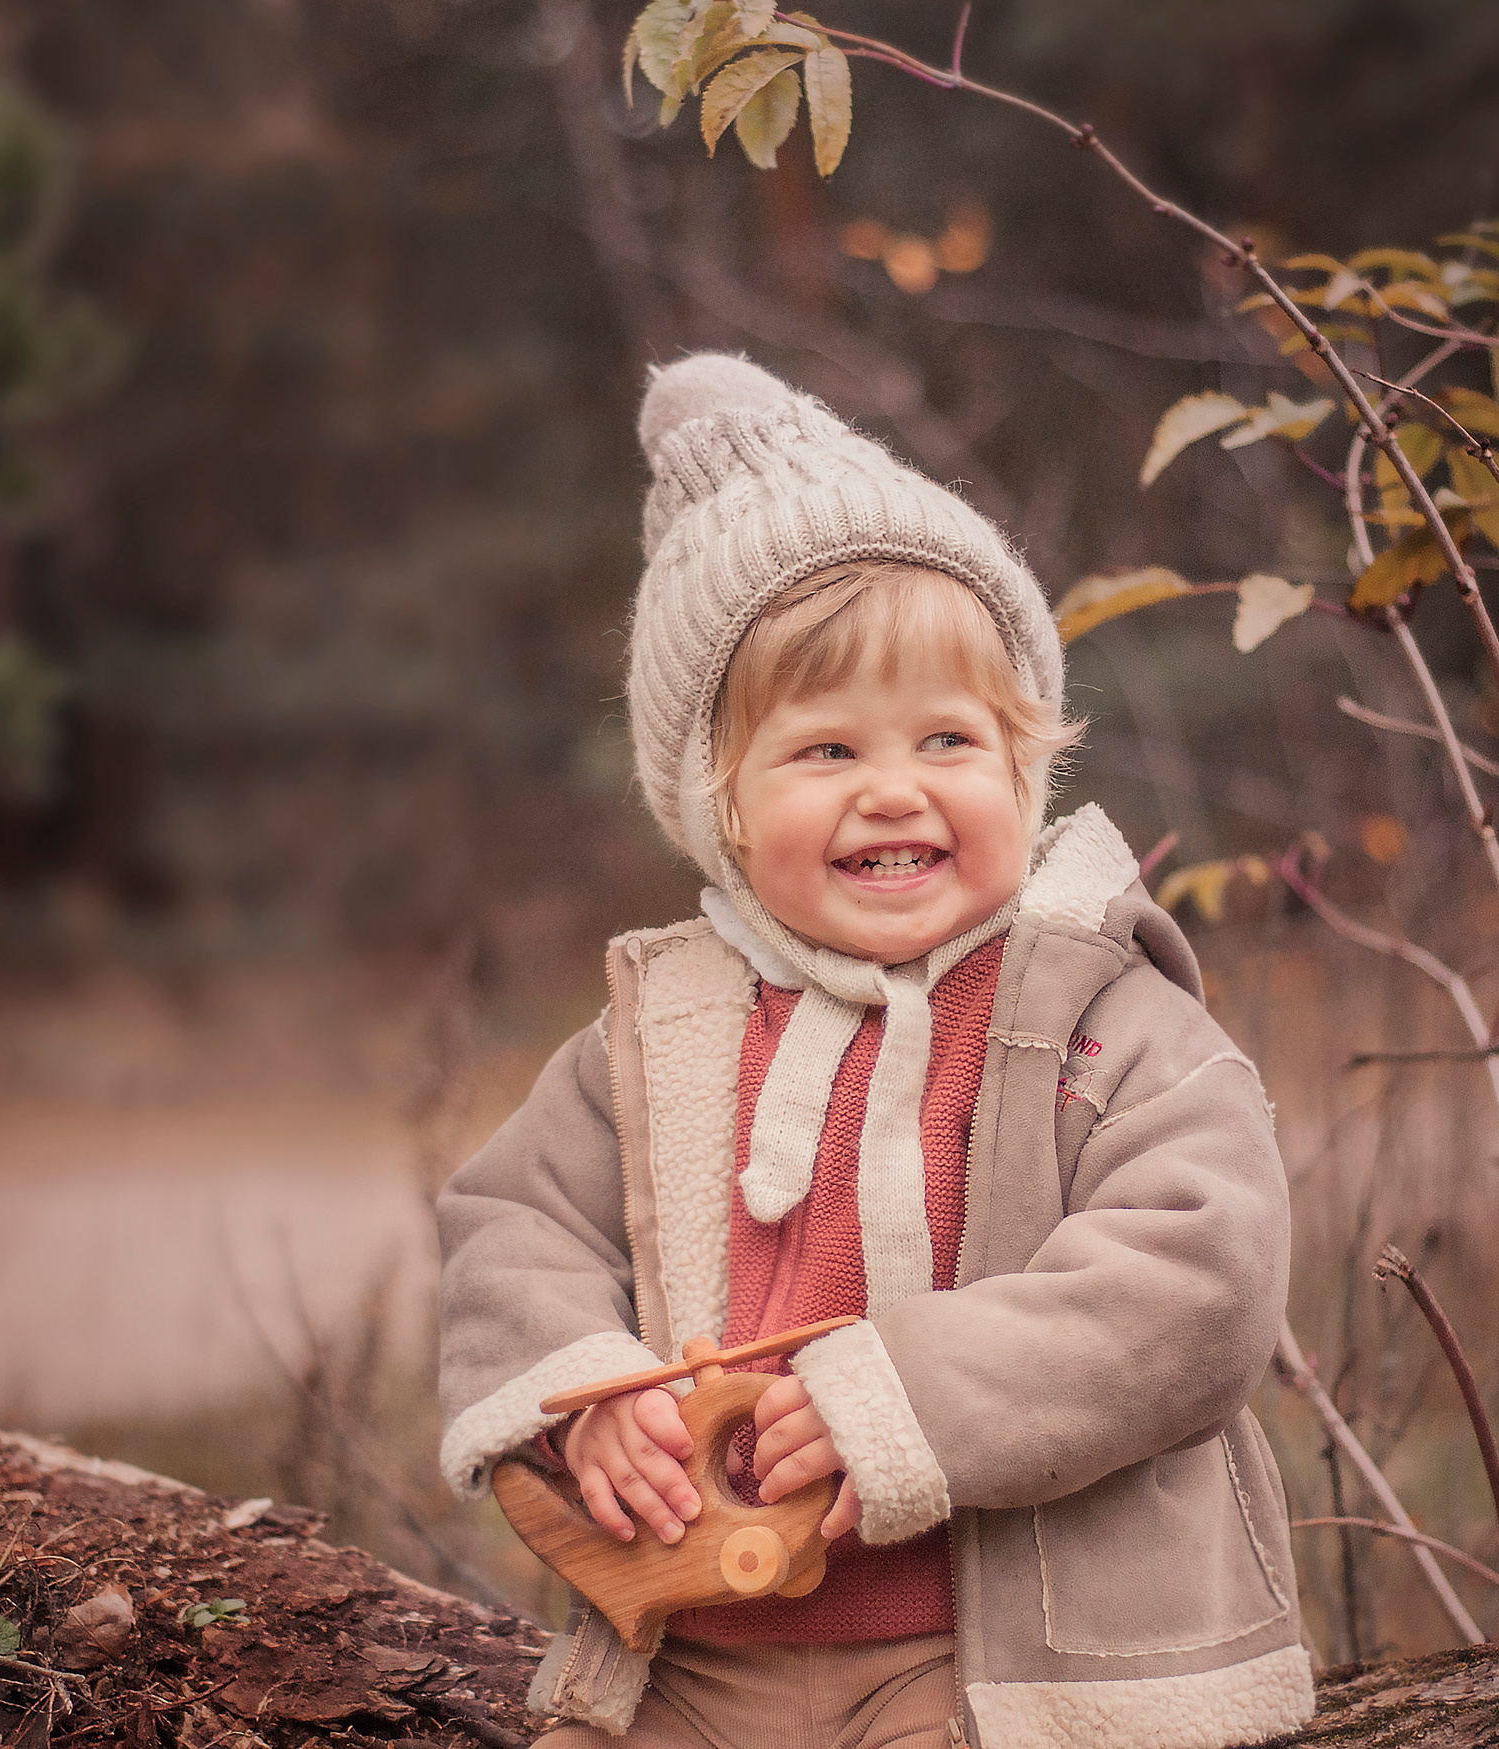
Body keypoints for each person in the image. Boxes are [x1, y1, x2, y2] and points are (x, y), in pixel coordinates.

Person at [436, 354, 1310, 1749]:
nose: (894, 789)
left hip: (991, 1659)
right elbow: (515, 1222)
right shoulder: (664, 1030)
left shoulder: (1097, 1013)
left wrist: (910, 1396)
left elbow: (1201, 1274)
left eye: (948, 738)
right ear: (721, 804)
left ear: (1026, 763)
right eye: (827, 751)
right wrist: (582, 1399)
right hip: (697, 1652)